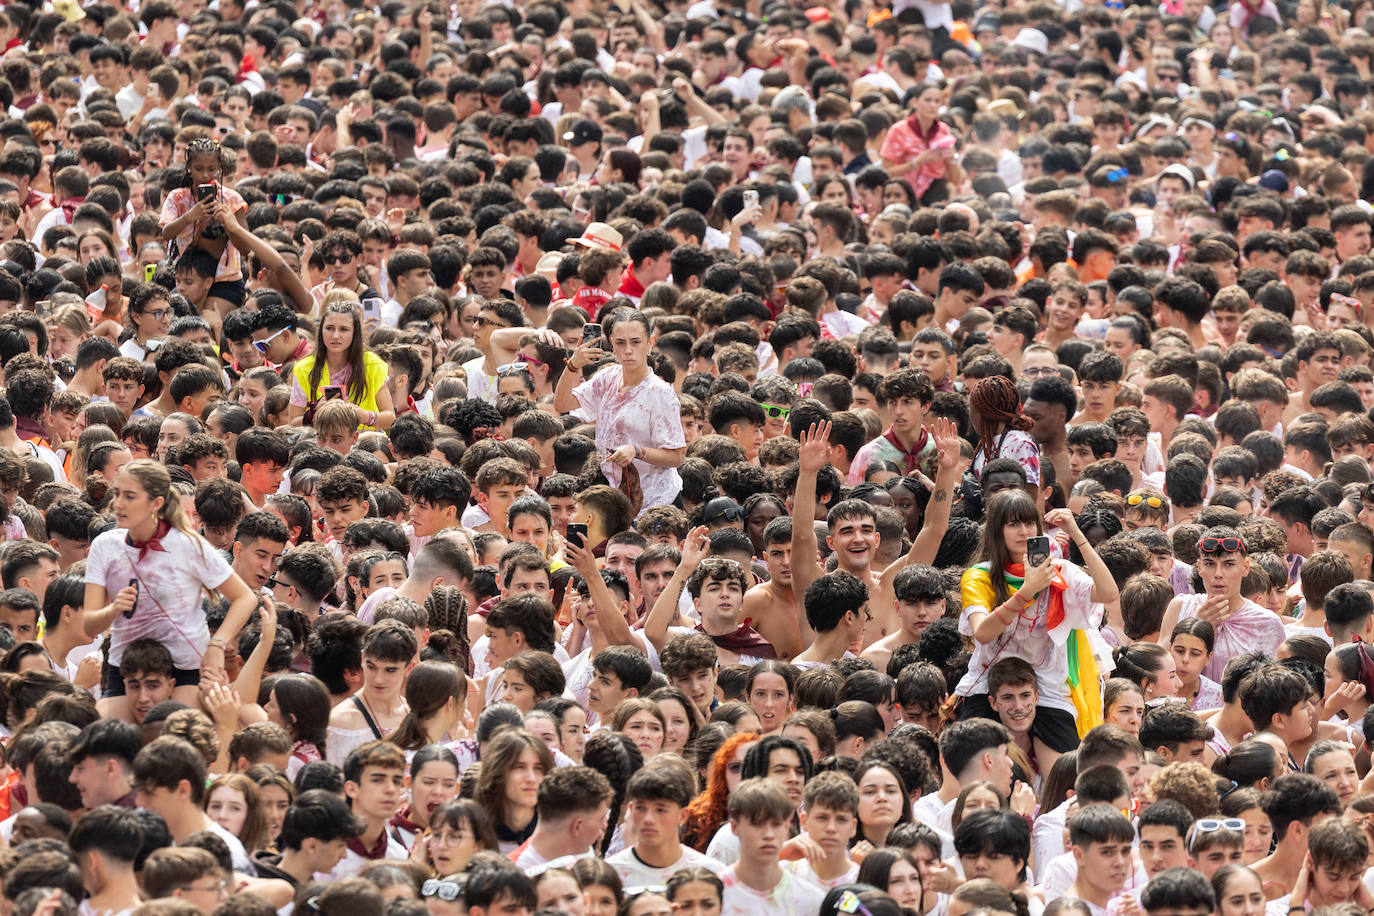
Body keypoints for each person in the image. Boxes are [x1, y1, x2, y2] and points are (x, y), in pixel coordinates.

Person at [84, 460, 258, 719]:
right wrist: (113, 609)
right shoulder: (104, 545)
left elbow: (245, 597)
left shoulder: (187, 544)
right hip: (127, 668)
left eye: (130, 496)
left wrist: (217, 645)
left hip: (183, 667)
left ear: (156, 503)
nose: (118, 503)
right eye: (117, 493)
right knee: (109, 738)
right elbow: (89, 625)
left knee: (174, 740)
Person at [555, 307, 686, 514]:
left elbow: (676, 456)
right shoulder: (608, 377)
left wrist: (636, 451)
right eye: (620, 343)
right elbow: (562, 404)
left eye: (635, 342)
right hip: (618, 500)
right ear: (611, 343)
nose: (627, 350)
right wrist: (573, 364)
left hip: (657, 502)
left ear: (649, 343)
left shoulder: (659, 392)